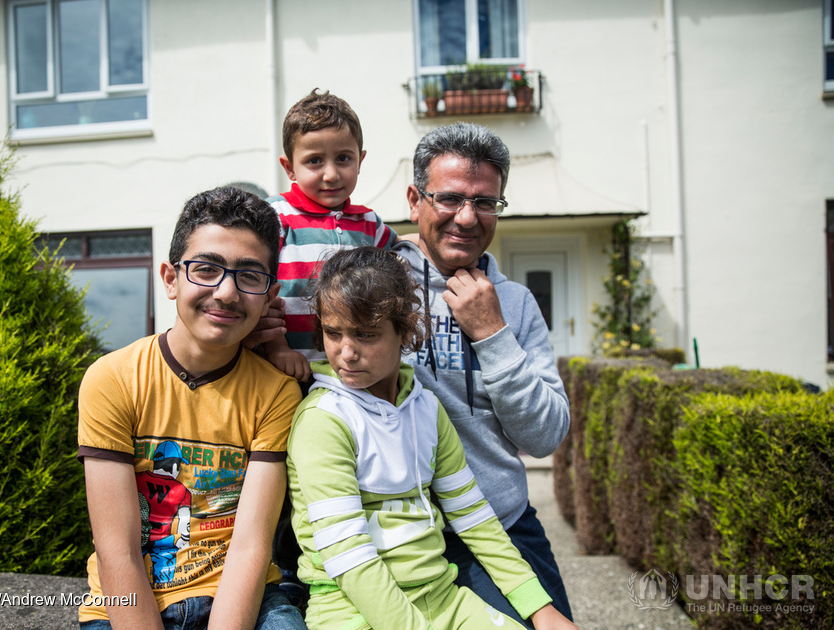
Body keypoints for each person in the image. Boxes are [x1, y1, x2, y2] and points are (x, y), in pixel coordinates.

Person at [286, 246, 578, 630]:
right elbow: (349, 557)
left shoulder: (427, 408)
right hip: (351, 610)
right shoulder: (323, 420)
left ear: (406, 330)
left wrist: (541, 609)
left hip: (443, 598)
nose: (346, 352)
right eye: (332, 332)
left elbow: (474, 518)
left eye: (366, 334)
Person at [77, 186, 307, 630]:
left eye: (249, 276)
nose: (225, 293)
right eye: (205, 269)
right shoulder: (113, 379)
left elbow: (250, 546)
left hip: (245, 597)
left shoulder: (276, 394)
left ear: (269, 293)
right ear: (170, 279)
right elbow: (117, 549)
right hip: (127, 601)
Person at [393, 122, 574, 628]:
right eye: (449, 198)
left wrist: (492, 334)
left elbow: (545, 436)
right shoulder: (374, 283)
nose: (467, 218)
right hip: (395, 536)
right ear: (415, 199)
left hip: (503, 525)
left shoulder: (514, 303)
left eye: (486, 202)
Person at [264, 89, 397, 382]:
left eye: (343, 158)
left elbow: (402, 253)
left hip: (353, 373)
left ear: (360, 160)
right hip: (288, 370)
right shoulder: (277, 216)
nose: (331, 174)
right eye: (314, 161)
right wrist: (277, 349)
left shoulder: (370, 224)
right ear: (290, 168)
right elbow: (261, 291)